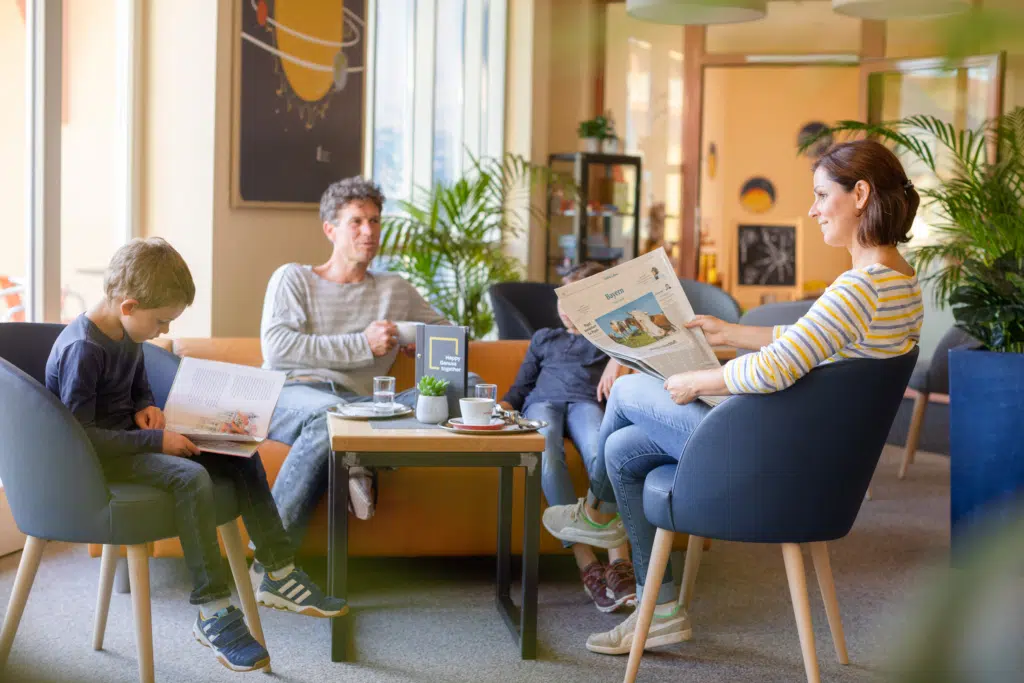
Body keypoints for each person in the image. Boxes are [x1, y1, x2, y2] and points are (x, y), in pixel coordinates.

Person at [543, 139, 924, 655]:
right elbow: (809, 338)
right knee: (620, 450)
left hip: (770, 458)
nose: (811, 210)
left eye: (819, 195)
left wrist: (696, 382)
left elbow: (776, 368)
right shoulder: (898, 283)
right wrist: (728, 334)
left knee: (632, 387)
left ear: (859, 194)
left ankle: (597, 510)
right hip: (810, 456)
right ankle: (661, 609)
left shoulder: (859, 288)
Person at [45, 238, 346, 673]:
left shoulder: (125, 333)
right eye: (161, 321)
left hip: (131, 442)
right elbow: (81, 438)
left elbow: (136, 386)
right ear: (128, 306)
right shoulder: (83, 350)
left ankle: (278, 570)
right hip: (100, 462)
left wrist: (145, 405)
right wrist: (156, 442)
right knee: (190, 479)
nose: (163, 332)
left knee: (240, 452)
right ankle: (213, 612)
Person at [260, 176, 454, 541]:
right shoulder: (293, 278)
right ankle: (273, 559)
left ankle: (358, 455)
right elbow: (277, 348)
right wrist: (363, 345)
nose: (369, 231)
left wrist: (424, 342)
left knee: (462, 390)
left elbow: (453, 334)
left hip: (367, 404)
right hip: (293, 394)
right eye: (357, 221)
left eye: (375, 220)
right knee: (330, 417)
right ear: (330, 229)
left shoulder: (395, 288)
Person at [500, 262, 634, 612]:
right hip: (541, 404)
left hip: (585, 404)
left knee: (598, 452)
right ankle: (587, 562)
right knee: (548, 455)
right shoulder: (544, 338)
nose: (564, 308)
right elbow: (520, 388)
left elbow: (642, 336)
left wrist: (617, 358)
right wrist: (499, 408)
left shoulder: (609, 341)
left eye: (575, 300)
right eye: (563, 298)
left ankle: (619, 561)